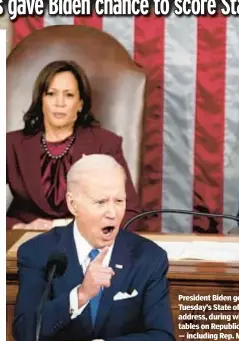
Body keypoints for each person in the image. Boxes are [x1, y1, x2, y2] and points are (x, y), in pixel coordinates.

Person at [13, 154, 175, 341]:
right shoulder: (38, 252)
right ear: (73, 205)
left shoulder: (148, 257)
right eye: (100, 202)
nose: (112, 213)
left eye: (119, 201)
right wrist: (80, 295)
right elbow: (25, 333)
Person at [7, 60, 141, 231]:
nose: (59, 103)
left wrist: (89, 236)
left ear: (80, 104)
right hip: (25, 243)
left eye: (69, 95)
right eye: (51, 94)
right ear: (41, 100)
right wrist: (18, 227)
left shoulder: (104, 144)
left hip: (87, 245)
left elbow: (130, 211)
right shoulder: (11, 144)